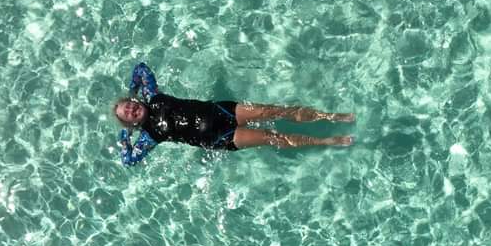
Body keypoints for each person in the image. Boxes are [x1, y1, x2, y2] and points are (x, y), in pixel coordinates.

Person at [113, 62, 354, 166]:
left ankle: (329, 117)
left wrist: (131, 89)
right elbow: (129, 160)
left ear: (134, 100)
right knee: (273, 137)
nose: (132, 109)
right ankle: (325, 140)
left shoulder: (153, 96)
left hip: (220, 109)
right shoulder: (149, 137)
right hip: (219, 137)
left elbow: (140, 68)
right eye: (128, 114)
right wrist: (125, 138)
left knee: (273, 110)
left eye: (129, 104)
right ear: (131, 122)